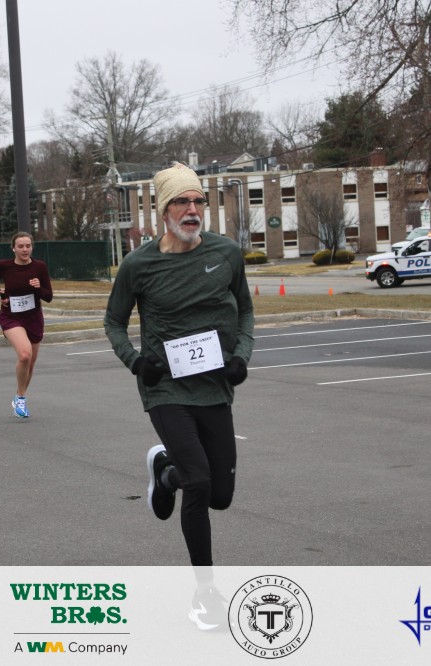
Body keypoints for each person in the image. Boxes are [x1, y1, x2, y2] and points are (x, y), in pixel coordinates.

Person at [104, 162, 255, 631]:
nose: (192, 210)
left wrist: (242, 357)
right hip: (165, 387)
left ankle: (165, 473)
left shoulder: (226, 253)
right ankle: (205, 593)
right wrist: (136, 362)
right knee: (201, 482)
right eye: (181, 202)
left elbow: (246, 312)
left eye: (197, 201)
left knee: (221, 496)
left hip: (214, 387)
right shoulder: (139, 264)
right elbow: (114, 322)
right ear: (163, 210)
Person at [0, 232, 53, 418]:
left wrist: (38, 288)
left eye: (28, 246)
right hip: (11, 317)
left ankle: (19, 396)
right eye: (21, 246)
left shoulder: (40, 266)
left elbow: (48, 296)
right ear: (13, 248)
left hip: (33, 318)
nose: (25, 249)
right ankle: (22, 400)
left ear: (32, 247)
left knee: (30, 364)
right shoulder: (4, 265)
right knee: (25, 355)